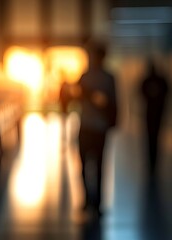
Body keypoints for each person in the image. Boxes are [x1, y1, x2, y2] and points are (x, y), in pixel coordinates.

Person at [61, 41, 117, 216]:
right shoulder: (95, 77)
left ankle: (92, 201)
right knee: (91, 164)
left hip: (92, 126)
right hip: (91, 126)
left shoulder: (92, 78)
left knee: (93, 164)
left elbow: (112, 102)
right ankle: (92, 200)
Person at [140, 60, 169, 177]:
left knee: (153, 137)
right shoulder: (154, 81)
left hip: (154, 113)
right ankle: (152, 161)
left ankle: (153, 161)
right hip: (153, 113)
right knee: (152, 137)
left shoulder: (150, 81)